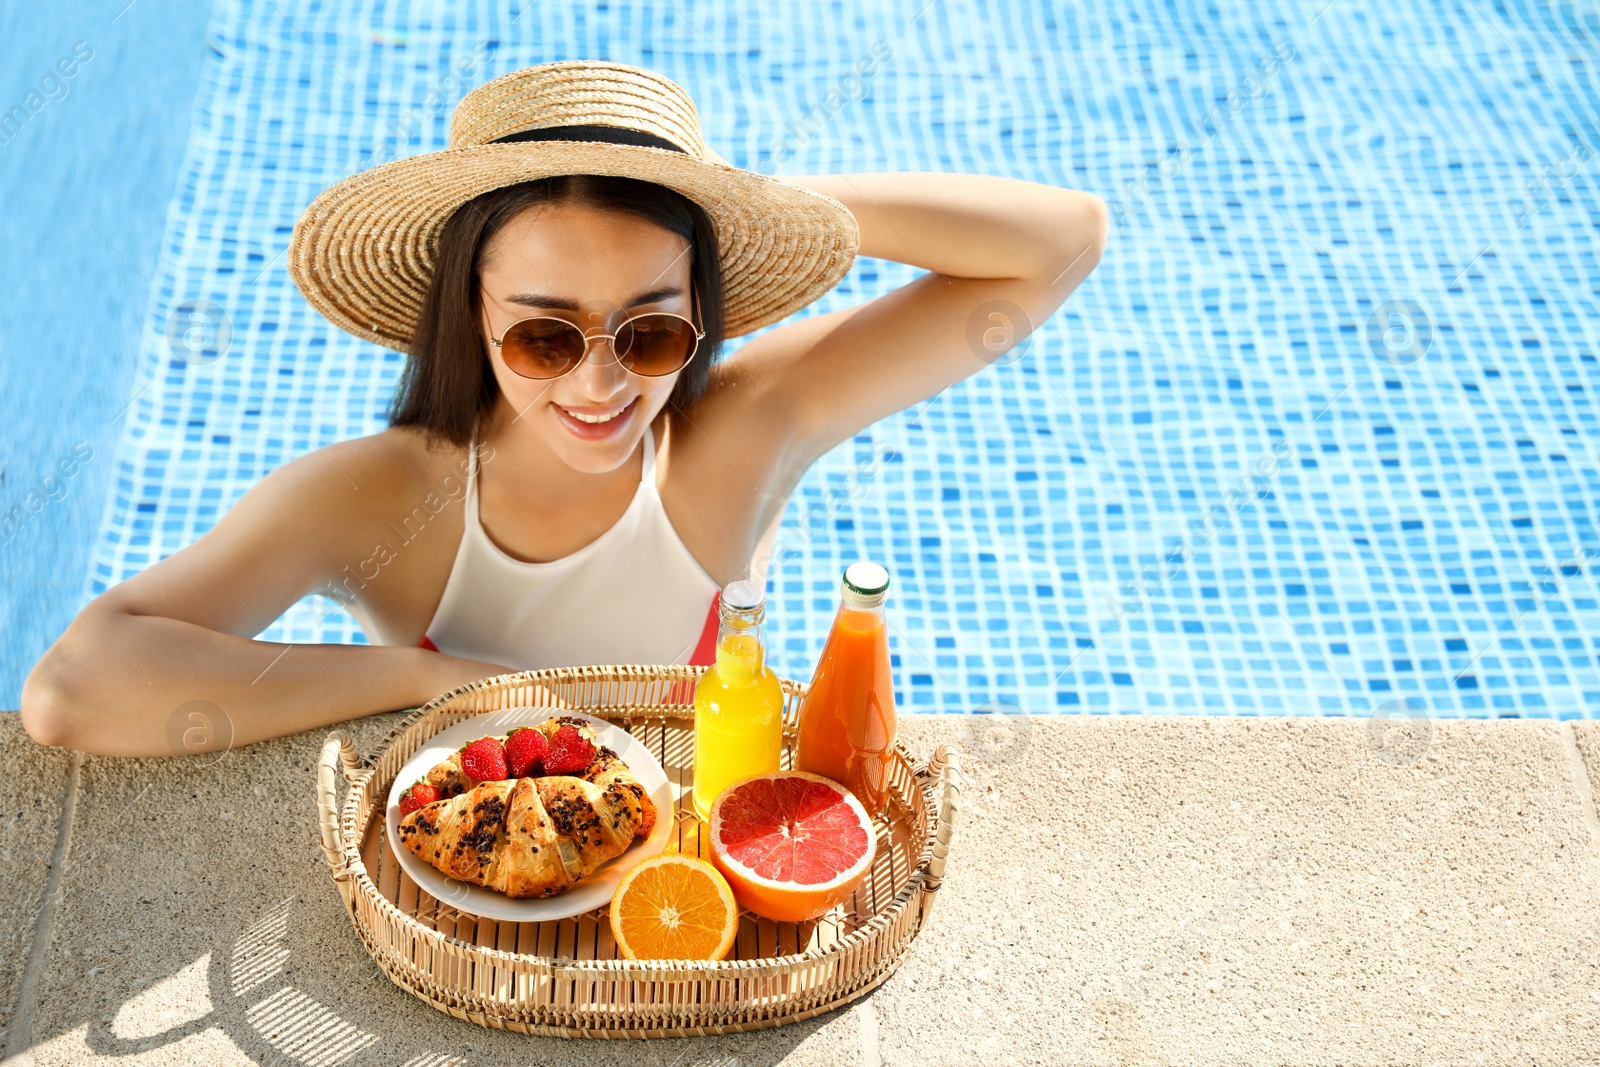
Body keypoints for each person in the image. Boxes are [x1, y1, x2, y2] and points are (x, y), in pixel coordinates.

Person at [21, 60, 1107, 756]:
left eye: (651, 332)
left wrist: (755, 206)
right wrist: (429, 681)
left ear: (700, 316)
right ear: (470, 315)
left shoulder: (744, 425)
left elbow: (1058, 242)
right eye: (545, 334)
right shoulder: (379, 497)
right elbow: (76, 687)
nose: (600, 387)